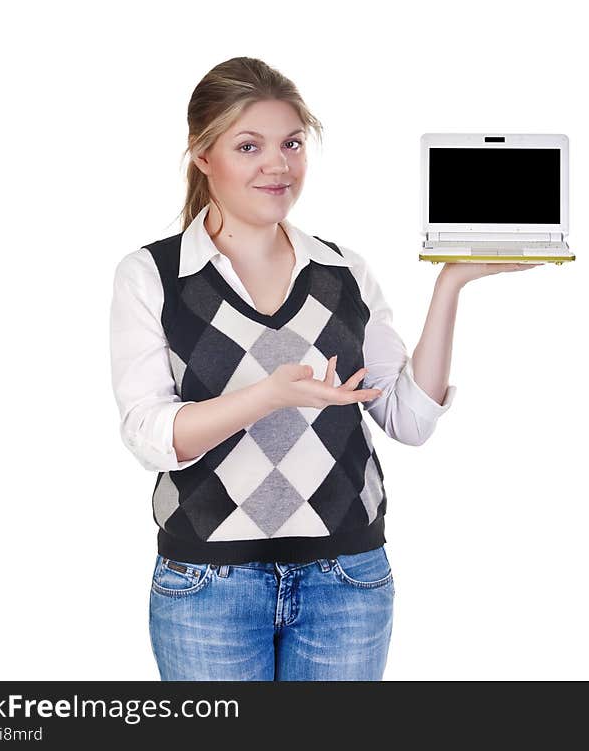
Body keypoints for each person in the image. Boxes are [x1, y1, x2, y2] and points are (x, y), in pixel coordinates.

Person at [109, 57, 542, 681]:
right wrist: (267, 397)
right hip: (207, 585)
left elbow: (408, 419)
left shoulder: (344, 272)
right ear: (203, 157)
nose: (277, 165)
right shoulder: (151, 275)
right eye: (249, 145)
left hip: (346, 579)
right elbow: (151, 437)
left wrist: (451, 285)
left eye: (291, 144)